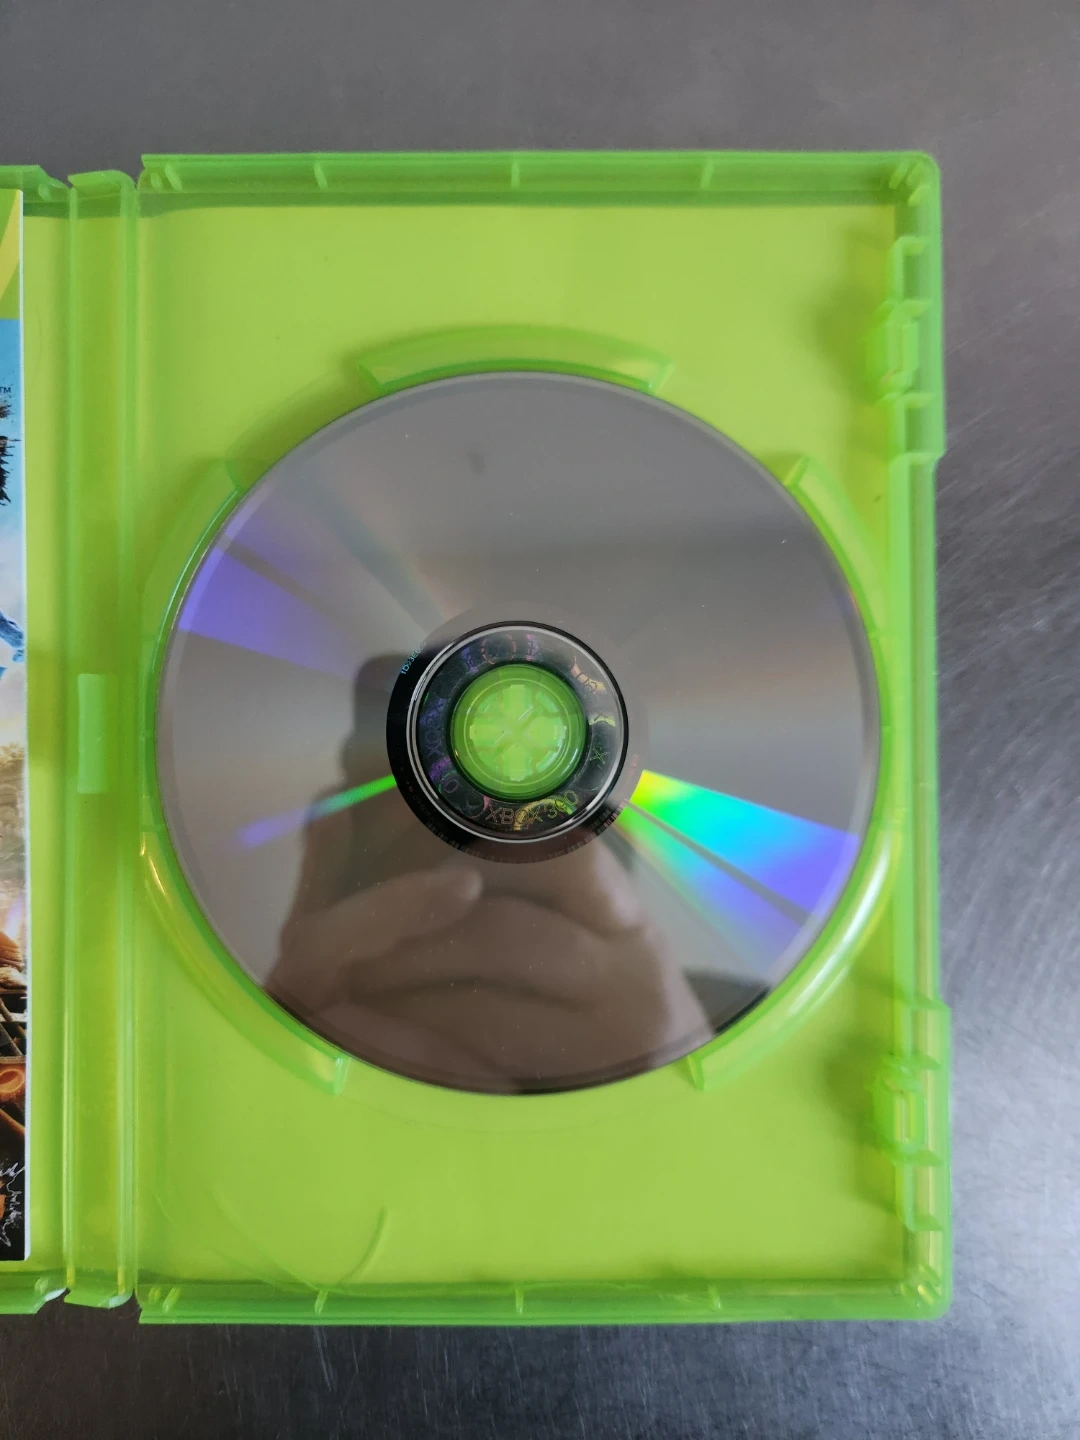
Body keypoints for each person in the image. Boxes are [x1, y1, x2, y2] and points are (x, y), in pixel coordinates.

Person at [267, 656, 711, 1093]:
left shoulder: (723, 1025)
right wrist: (274, 1056)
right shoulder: (300, 1008)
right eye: (440, 784)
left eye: (545, 791)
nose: (490, 825)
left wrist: (670, 1090)